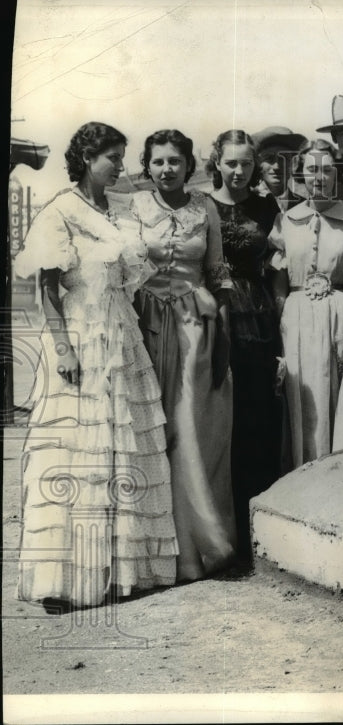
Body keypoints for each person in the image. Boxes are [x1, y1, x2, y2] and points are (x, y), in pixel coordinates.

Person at [15, 122, 178, 608]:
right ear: (88, 159)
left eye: (123, 157)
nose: (121, 166)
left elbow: (130, 278)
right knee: (75, 451)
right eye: (113, 157)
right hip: (81, 337)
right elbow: (47, 289)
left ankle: (120, 567)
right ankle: (66, 577)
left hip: (120, 334)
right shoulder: (60, 210)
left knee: (120, 446)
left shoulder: (120, 210)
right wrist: (63, 349)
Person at [132, 129, 238, 581]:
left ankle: (198, 547)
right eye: (158, 162)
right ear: (147, 166)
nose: (167, 169)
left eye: (175, 161)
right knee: (153, 430)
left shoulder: (205, 208)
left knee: (193, 430)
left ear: (189, 164)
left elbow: (216, 269)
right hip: (146, 325)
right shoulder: (133, 208)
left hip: (197, 327)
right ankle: (151, 552)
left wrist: (226, 327)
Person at [207, 129, 283, 561]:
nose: (239, 171)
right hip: (216, 314)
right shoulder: (204, 205)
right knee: (222, 417)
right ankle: (225, 530)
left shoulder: (266, 207)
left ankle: (260, 533)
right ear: (216, 162)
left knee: (260, 416)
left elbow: (275, 267)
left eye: (247, 164)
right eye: (231, 162)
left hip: (259, 316)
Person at [270, 140, 343, 465]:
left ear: (337, 173)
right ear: (301, 175)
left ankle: (337, 473)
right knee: (301, 401)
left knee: (339, 401)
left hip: (340, 317)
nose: (319, 177)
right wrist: (280, 321)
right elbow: (279, 282)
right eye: (312, 170)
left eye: (326, 169)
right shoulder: (286, 221)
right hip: (296, 319)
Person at [252, 126, 309, 212]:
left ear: (293, 163)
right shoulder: (247, 203)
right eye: (269, 158)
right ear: (258, 163)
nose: (277, 166)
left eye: (283, 159)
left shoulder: (305, 206)